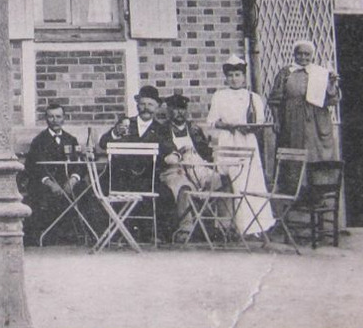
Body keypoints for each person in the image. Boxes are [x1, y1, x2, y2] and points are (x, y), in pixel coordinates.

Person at [205, 56, 275, 238]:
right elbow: (212, 122)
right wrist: (228, 126)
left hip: (247, 141)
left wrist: (248, 127)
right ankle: (227, 227)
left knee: (250, 181)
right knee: (228, 182)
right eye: (230, 75)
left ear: (244, 77)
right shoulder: (219, 96)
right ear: (226, 77)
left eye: (238, 74)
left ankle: (254, 227)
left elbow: (260, 123)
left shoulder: (253, 98)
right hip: (228, 142)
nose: (234, 78)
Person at [98, 84, 174, 244]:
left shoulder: (162, 129)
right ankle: (116, 233)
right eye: (143, 104)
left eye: (150, 104)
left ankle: (154, 234)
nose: (146, 108)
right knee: (100, 191)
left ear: (157, 107)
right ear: (137, 105)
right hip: (121, 176)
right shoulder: (126, 123)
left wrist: (175, 155)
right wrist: (115, 133)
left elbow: (169, 150)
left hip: (147, 177)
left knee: (165, 195)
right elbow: (103, 143)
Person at [20, 101, 87, 245]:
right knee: (40, 196)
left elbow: (80, 165)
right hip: (45, 183)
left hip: (67, 182)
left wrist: (73, 180)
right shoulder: (39, 141)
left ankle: (80, 234)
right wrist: (50, 184)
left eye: (58, 116)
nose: (55, 120)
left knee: (86, 191)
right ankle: (47, 235)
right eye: (51, 117)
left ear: (64, 118)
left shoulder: (71, 139)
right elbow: (33, 167)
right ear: (46, 119)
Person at [267, 39, 341, 162]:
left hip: (317, 121)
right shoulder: (285, 73)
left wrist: (331, 83)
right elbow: (275, 100)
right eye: (299, 53)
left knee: (317, 153)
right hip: (292, 120)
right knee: (294, 152)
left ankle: (317, 180)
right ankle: (297, 181)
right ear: (294, 54)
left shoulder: (320, 73)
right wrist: (276, 120)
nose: (303, 57)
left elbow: (333, 100)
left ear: (312, 55)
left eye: (307, 54)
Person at [157, 91, 216, 240]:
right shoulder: (162, 130)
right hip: (174, 170)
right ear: (169, 111)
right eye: (175, 109)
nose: (179, 113)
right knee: (183, 187)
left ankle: (223, 228)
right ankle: (186, 228)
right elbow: (165, 154)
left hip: (197, 168)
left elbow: (206, 153)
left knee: (222, 181)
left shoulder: (194, 129)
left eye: (182, 109)